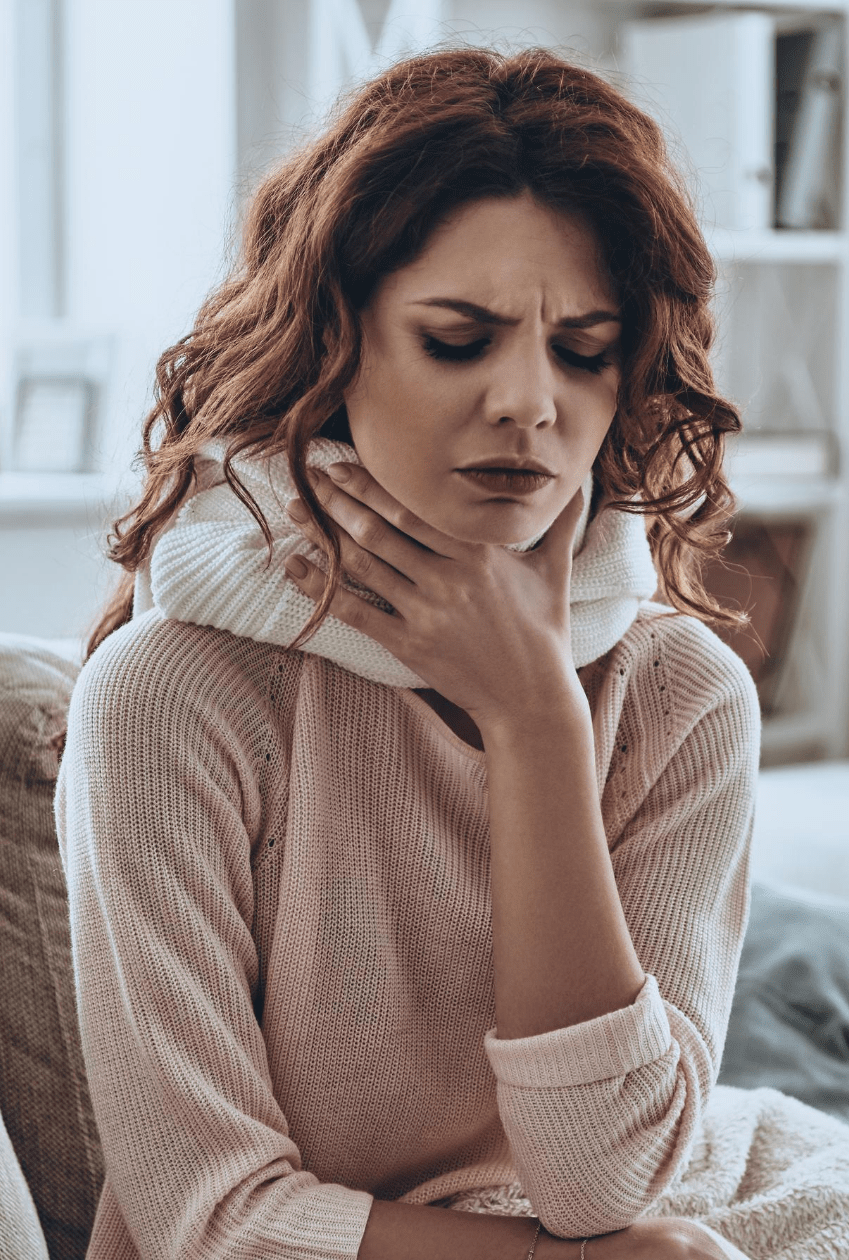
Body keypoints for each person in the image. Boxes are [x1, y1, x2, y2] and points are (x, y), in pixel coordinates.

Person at [61, 46, 759, 1260]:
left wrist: (535, 724)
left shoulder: (681, 700)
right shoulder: (171, 698)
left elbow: (607, 1183)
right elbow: (210, 1220)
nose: (529, 404)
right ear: (330, 346)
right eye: (456, 339)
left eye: (583, 350)